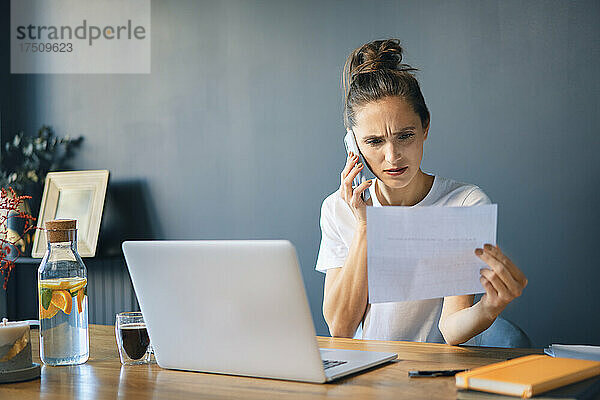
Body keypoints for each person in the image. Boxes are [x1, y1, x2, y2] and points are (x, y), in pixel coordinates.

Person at [315, 39, 528, 345]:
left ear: (425, 126)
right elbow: (341, 329)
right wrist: (365, 226)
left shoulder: (463, 204)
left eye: (405, 136)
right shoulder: (337, 209)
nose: (392, 157)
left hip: (430, 372)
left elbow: (451, 329)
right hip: (369, 375)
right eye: (374, 141)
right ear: (354, 145)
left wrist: (490, 307)